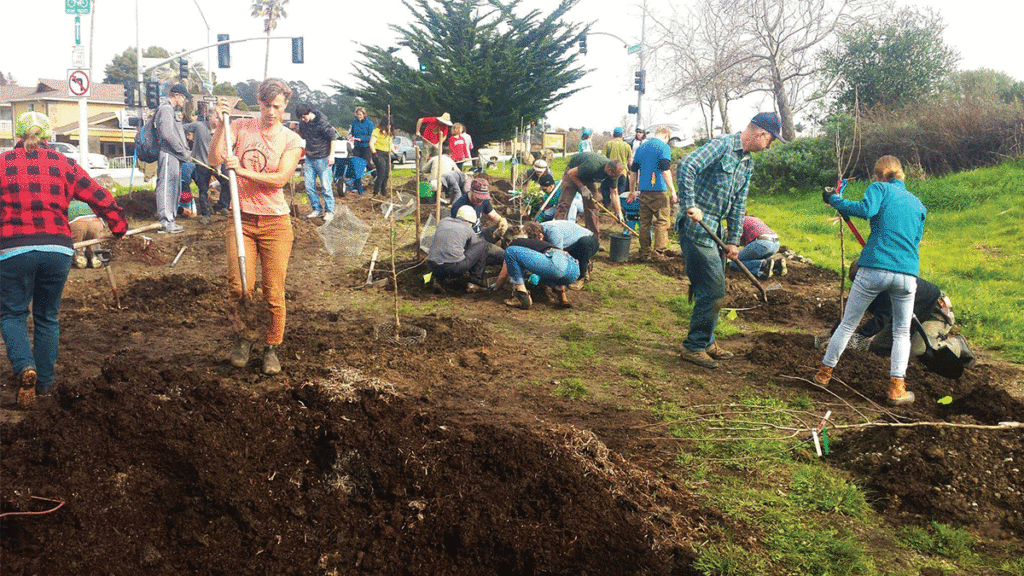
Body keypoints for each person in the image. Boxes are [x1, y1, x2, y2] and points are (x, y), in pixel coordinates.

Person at [1, 111, 128, 409]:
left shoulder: (3, 164)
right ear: (50, 136)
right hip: (58, 249)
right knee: (47, 316)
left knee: (12, 314)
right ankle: (44, 384)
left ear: (17, 136)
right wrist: (119, 227)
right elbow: (101, 196)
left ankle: (24, 367)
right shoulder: (65, 164)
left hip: (13, 249)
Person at [208, 79, 304, 376]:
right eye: (266, 105)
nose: (271, 111)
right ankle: (244, 339)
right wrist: (222, 127)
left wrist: (242, 171)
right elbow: (214, 160)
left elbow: (281, 179)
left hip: (275, 223)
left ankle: (271, 346)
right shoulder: (240, 127)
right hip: (241, 219)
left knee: (273, 292)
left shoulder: (291, 139)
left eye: (277, 106)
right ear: (258, 103)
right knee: (239, 286)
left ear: (285, 105)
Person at [815, 156, 927, 405]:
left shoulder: (879, 189)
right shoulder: (918, 204)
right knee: (901, 332)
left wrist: (834, 199)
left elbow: (866, 210)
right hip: (907, 275)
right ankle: (896, 389)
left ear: (878, 176)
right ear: (902, 176)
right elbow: (915, 239)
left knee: (847, 324)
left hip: (874, 268)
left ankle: (824, 375)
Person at [676, 112, 784, 368]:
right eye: (770, 140)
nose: (769, 146)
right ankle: (693, 346)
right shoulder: (722, 145)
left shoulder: (747, 163)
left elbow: (739, 205)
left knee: (710, 285)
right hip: (697, 224)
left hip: (717, 230)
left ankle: (706, 340)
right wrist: (690, 204)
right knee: (714, 288)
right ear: (761, 134)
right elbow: (687, 165)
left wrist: (734, 241)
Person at [493, 221, 579, 310]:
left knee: (510, 252)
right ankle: (561, 292)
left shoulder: (516, 243)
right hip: (573, 270)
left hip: (556, 265)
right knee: (548, 272)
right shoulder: (539, 244)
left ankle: (522, 296)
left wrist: (495, 288)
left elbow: (504, 274)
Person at [628, 126, 678, 261]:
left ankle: (644, 252)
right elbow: (665, 171)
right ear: (666, 136)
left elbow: (633, 172)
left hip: (643, 190)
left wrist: (632, 191)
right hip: (659, 191)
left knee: (645, 222)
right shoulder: (664, 147)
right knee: (662, 221)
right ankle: (658, 253)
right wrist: (673, 191)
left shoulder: (641, 148)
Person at [553, 151, 625, 239]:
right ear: (609, 170)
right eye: (615, 175)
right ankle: (558, 235)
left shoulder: (614, 173)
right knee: (564, 204)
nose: (615, 178)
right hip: (572, 173)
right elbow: (571, 173)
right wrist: (583, 188)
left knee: (593, 206)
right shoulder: (593, 166)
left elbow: (614, 193)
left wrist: (619, 212)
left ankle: (593, 239)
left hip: (588, 177)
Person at [427, 205, 495, 292]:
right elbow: (474, 249)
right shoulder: (468, 229)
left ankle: (438, 280)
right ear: (470, 221)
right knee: (483, 245)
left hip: (432, 265)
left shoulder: (443, 221)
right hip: (452, 268)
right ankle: (474, 283)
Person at [155, 84, 193, 234]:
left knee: (173, 188)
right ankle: (166, 222)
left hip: (174, 155)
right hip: (169, 153)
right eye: (183, 98)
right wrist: (182, 151)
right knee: (166, 187)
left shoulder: (169, 110)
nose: (184, 101)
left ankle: (170, 220)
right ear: (176, 95)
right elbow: (167, 135)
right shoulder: (166, 109)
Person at [450, 178, 509, 263]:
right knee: (501, 254)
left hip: (480, 235)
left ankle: (502, 254)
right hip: (470, 242)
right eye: (478, 197)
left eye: (483, 197)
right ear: (471, 191)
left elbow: (493, 215)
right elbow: (457, 235)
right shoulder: (459, 206)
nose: (481, 200)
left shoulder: (483, 200)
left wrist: (501, 220)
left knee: (505, 228)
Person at [297, 101, 338, 222]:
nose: (303, 120)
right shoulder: (303, 124)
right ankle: (317, 209)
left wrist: (331, 156)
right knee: (309, 186)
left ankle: (329, 211)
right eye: (301, 118)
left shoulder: (322, 123)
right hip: (310, 158)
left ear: (309, 112)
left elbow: (333, 139)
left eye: (304, 117)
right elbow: (303, 136)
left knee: (325, 186)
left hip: (323, 158)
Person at [541, 219, 598, 291]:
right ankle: (585, 265)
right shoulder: (540, 227)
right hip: (571, 244)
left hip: (590, 242)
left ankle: (581, 276)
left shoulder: (553, 232)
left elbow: (558, 255)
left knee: (584, 244)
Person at [183, 109, 219, 224]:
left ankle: (222, 206)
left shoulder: (222, 130)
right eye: (217, 117)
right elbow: (181, 128)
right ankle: (205, 215)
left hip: (217, 164)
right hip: (202, 164)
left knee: (227, 182)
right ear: (210, 117)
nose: (219, 120)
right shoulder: (199, 126)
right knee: (203, 189)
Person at [68, 200, 107, 268]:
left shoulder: (67, 204)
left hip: (76, 222)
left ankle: (80, 259)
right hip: (96, 222)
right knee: (95, 242)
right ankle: (96, 258)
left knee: (77, 243)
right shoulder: (89, 203)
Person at [370, 115, 397, 197]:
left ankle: (383, 191)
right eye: (388, 124)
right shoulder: (377, 131)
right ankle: (375, 192)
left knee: (386, 174)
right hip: (378, 153)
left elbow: (391, 144)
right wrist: (375, 153)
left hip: (386, 154)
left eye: (390, 125)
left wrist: (395, 153)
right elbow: (371, 143)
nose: (389, 126)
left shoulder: (390, 133)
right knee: (381, 173)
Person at [349, 106, 375, 174]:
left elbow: (371, 136)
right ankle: (357, 181)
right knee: (355, 164)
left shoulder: (369, 123)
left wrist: (361, 139)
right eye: (357, 114)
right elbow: (352, 132)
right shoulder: (354, 122)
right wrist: (350, 136)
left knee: (367, 164)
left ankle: (376, 176)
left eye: (360, 114)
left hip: (366, 146)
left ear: (364, 114)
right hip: (357, 146)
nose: (359, 116)